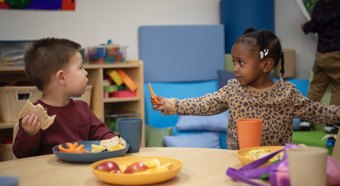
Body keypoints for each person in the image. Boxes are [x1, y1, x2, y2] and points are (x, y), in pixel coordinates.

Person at [150, 27, 340, 150]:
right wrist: (170, 104)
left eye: (241, 63)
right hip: (237, 161)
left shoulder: (287, 94)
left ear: (266, 65)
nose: (234, 68)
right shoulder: (232, 89)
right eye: (234, 62)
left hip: (274, 163)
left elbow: (319, 111)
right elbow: (204, 104)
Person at [13, 38, 115, 158]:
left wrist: (115, 142)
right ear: (62, 78)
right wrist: (29, 134)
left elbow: (102, 135)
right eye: (81, 67)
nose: (86, 72)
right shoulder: (33, 116)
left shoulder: (83, 108)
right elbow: (21, 155)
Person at [301, 0, 340, 133]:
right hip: (336, 54)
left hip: (321, 55)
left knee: (316, 85)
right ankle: (332, 122)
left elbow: (311, 27)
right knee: (338, 87)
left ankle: (305, 120)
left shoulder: (319, 6)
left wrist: (304, 25)